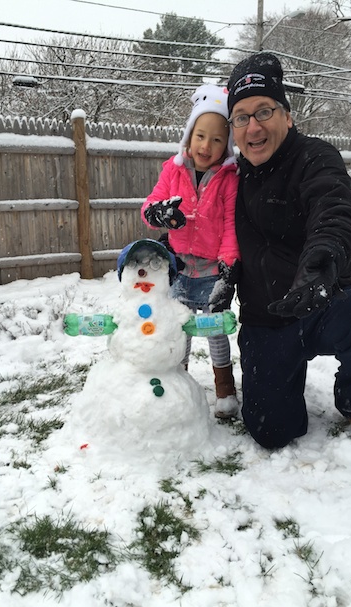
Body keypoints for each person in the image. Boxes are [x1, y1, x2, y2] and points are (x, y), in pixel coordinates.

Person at [221, 51, 351, 447]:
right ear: (234, 129)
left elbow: (335, 207)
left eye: (264, 111)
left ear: (287, 116)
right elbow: (201, 224)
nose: (253, 126)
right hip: (264, 317)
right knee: (272, 433)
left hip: (321, 298)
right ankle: (282, 383)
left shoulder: (315, 156)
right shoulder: (231, 177)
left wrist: (320, 261)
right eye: (241, 117)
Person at [141, 84, 241, 419]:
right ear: (189, 135)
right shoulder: (173, 170)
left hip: (212, 269)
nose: (206, 145)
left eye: (217, 139)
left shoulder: (229, 178)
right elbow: (150, 206)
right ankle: (178, 384)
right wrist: (157, 214)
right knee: (180, 328)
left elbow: (230, 226)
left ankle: (224, 389)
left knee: (213, 331)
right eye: (200, 135)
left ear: (226, 144)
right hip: (180, 269)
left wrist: (228, 268)